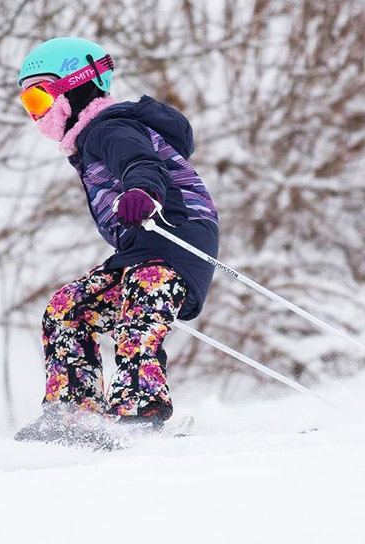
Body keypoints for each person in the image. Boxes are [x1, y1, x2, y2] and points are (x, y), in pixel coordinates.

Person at [14, 36, 220, 443]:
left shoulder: (110, 128)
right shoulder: (89, 138)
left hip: (177, 237)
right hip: (141, 249)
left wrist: (143, 192)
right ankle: (72, 416)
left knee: (141, 303)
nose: (36, 116)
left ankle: (138, 414)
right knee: (68, 309)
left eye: (38, 99)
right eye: (28, 106)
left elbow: (141, 163)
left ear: (74, 85)